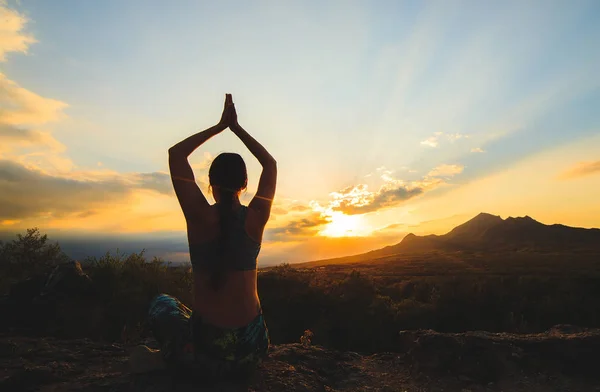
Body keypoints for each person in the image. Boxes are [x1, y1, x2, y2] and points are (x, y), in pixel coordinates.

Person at [139, 94, 277, 379]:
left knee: (162, 303)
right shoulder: (256, 217)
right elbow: (271, 165)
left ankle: (169, 360)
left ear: (210, 183)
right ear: (245, 184)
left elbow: (176, 154)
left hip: (207, 352)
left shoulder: (199, 216)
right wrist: (236, 128)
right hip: (252, 348)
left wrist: (219, 126)